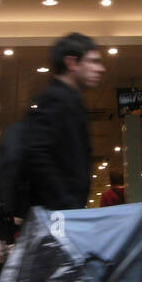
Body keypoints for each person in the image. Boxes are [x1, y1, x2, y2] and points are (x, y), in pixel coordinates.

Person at [23, 32, 105, 212]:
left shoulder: (68, 100)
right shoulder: (56, 99)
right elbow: (38, 154)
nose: (100, 68)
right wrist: (65, 204)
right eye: (93, 61)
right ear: (71, 63)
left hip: (62, 211)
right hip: (58, 213)